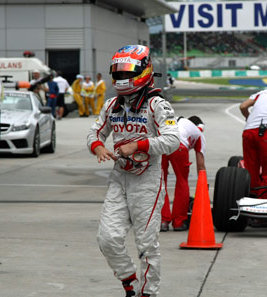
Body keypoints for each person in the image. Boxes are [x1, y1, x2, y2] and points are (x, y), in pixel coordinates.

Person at [87, 44, 179, 297]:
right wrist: (97, 148)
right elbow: (94, 133)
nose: (122, 77)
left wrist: (139, 145)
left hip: (147, 180)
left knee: (147, 244)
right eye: (118, 72)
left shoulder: (158, 105)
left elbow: (173, 141)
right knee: (107, 239)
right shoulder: (111, 104)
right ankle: (130, 282)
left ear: (143, 71)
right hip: (119, 178)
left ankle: (148, 293)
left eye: (128, 71)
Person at [161, 115, 206, 232]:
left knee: (160, 182)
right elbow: (201, 165)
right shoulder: (199, 132)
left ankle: (163, 221)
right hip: (179, 146)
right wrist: (203, 187)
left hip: (160, 144)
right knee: (182, 181)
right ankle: (179, 222)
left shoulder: (173, 120)